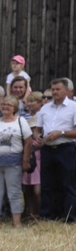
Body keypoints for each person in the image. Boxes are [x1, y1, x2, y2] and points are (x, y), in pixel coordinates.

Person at [33, 78, 76, 222]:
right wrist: (38, 136)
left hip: (66, 149)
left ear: (66, 91)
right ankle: (48, 216)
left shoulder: (73, 107)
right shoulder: (45, 108)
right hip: (48, 149)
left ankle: (69, 217)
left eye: (58, 89)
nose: (55, 92)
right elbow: (38, 129)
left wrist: (61, 133)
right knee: (47, 183)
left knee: (68, 184)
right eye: (53, 89)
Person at [0, 95, 32, 227]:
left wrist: (25, 160)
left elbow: (28, 142)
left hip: (13, 163)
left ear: (15, 108)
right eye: (4, 104)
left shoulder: (21, 121)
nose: (5, 107)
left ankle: (16, 222)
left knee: (14, 192)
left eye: (9, 105)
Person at [22, 92, 44, 217]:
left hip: (39, 155)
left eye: (33, 101)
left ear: (40, 103)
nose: (30, 104)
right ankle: (30, 213)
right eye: (28, 101)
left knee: (37, 188)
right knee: (27, 187)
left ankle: (38, 212)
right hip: (29, 153)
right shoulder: (26, 117)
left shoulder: (42, 116)